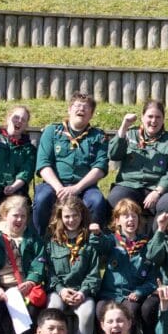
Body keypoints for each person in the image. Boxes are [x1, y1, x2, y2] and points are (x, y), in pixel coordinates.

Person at [33, 91, 109, 231]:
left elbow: (100, 167)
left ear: (91, 114)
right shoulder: (52, 131)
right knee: (42, 198)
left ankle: (91, 241)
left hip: (85, 187)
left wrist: (77, 188)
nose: (81, 109)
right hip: (54, 185)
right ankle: (39, 239)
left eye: (86, 107)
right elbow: (43, 164)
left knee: (97, 201)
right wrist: (59, 188)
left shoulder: (99, 136)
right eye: (77, 106)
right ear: (69, 109)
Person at [38, 194, 103, 334]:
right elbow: (49, 271)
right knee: (53, 310)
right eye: (67, 216)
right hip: (59, 290)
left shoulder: (90, 240)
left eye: (75, 216)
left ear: (82, 216)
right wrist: (61, 290)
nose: (71, 220)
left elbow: (94, 273)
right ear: (60, 217)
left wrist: (83, 292)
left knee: (87, 312)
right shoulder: (52, 241)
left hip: (82, 291)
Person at [107, 100, 168, 225]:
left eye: (158, 117)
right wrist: (124, 126)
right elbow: (113, 155)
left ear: (163, 119)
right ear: (142, 117)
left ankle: (156, 236)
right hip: (130, 185)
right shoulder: (129, 134)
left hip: (159, 188)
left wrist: (158, 191)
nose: (154, 121)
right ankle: (127, 236)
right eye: (150, 116)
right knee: (115, 198)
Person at [0, 194, 44, 334]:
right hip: (0, 287)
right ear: (5, 215)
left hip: (23, 287)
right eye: (15, 216)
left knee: (30, 311)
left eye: (23, 216)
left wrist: (31, 281)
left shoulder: (32, 238)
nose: (19, 220)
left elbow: (40, 262)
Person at [95, 198, 156, 332]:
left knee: (130, 312)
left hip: (131, 295)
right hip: (109, 294)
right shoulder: (111, 241)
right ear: (117, 221)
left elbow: (152, 279)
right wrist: (97, 235)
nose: (131, 219)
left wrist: (140, 292)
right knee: (100, 310)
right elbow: (100, 245)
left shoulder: (146, 245)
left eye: (134, 216)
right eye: (126, 216)